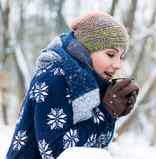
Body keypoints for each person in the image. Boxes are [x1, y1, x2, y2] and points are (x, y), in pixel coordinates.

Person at [5, 11, 139, 159]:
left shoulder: (92, 86)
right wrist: (105, 112)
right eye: (111, 54)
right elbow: (57, 152)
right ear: (88, 48)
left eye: (121, 57)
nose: (118, 65)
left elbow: (96, 146)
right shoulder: (52, 78)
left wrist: (111, 115)